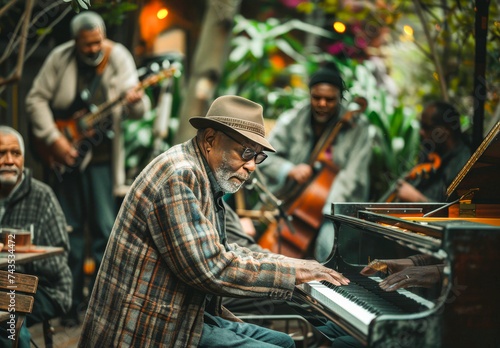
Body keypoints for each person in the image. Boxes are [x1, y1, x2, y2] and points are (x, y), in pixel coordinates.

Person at [78, 95, 350, 347]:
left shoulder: (202, 175)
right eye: (245, 152)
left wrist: (296, 265)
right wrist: (291, 276)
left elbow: (224, 251)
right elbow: (210, 268)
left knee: (286, 342)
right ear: (209, 139)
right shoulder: (180, 175)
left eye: (258, 156)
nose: (253, 165)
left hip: (185, 317)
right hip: (145, 328)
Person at [25, 11, 150, 323]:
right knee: (69, 232)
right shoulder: (59, 58)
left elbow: (138, 110)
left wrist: (135, 100)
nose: (93, 49)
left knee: (105, 231)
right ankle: (68, 306)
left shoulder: (118, 57)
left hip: (103, 159)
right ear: (75, 42)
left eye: (97, 42)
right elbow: (35, 100)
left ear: (103, 36)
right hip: (65, 156)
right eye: (86, 45)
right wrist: (54, 140)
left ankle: (102, 306)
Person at [256, 63, 373, 261]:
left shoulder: (358, 127)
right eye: (316, 97)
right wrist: (289, 170)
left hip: (335, 207)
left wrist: (328, 213)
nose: (322, 104)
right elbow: (263, 156)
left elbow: (354, 176)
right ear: (309, 94)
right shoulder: (291, 119)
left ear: (340, 98)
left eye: (330, 99)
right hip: (290, 204)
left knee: (326, 248)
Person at [0, 126, 72, 348]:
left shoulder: (42, 197)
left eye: (16, 153)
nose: (9, 160)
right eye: (1, 153)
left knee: (8, 323)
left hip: (45, 288)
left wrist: (13, 255)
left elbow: (58, 261)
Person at [387, 100, 472, 203]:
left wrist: (417, 199)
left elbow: (462, 211)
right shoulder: (432, 154)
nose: (421, 132)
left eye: (427, 127)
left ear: (446, 129)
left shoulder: (465, 164)